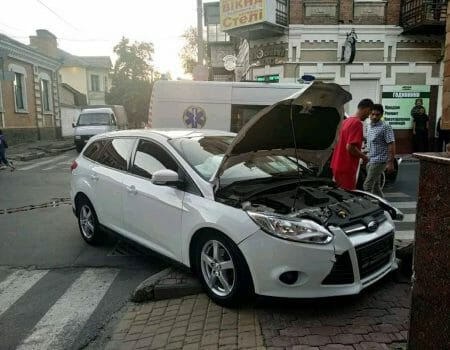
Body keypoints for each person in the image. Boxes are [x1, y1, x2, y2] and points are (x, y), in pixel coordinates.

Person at [331, 98, 374, 190]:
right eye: (369, 113)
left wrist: (362, 138)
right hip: (347, 166)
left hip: (337, 164)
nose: (368, 116)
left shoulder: (346, 121)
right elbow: (350, 147)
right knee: (347, 196)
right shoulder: (357, 123)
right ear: (367, 109)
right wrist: (364, 157)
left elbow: (344, 139)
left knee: (339, 193)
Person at [363, 104, 396, 197]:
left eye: (377, 115)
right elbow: (370, 141)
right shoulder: (369, 126)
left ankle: (368, 207)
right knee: (376, 187)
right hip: (370, 159)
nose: (374, 117)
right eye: (372, 114)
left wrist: (391, 162)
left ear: (381, 115)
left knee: (367, 185)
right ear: (369, 114)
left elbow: (391, 144)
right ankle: (382, 205)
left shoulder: (385, 127)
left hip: (379, 161)